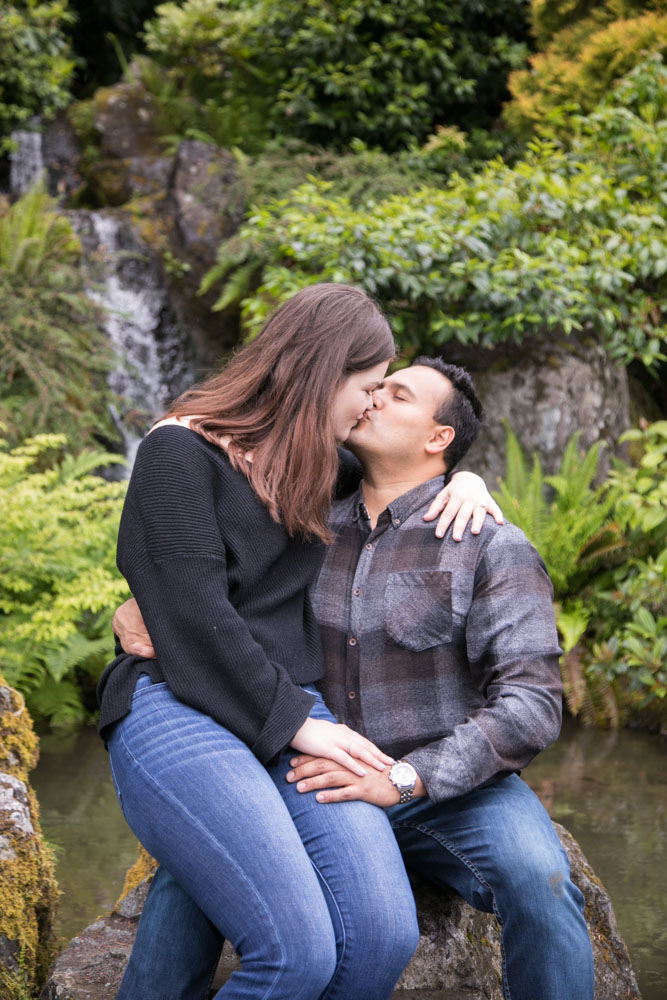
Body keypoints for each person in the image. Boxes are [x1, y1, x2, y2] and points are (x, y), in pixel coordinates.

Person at [115, 356, 595, 1000]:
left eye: (397, 394)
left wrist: (404, 778)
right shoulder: (302, 518)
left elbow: (532, 706)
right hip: (308, 762)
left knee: (543, 878)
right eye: (374, 386)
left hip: (447, 785)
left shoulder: (485, 541)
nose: (373, 398)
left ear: (438, 439)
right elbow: (201, 590)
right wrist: (139, 610)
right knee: (194, 865)